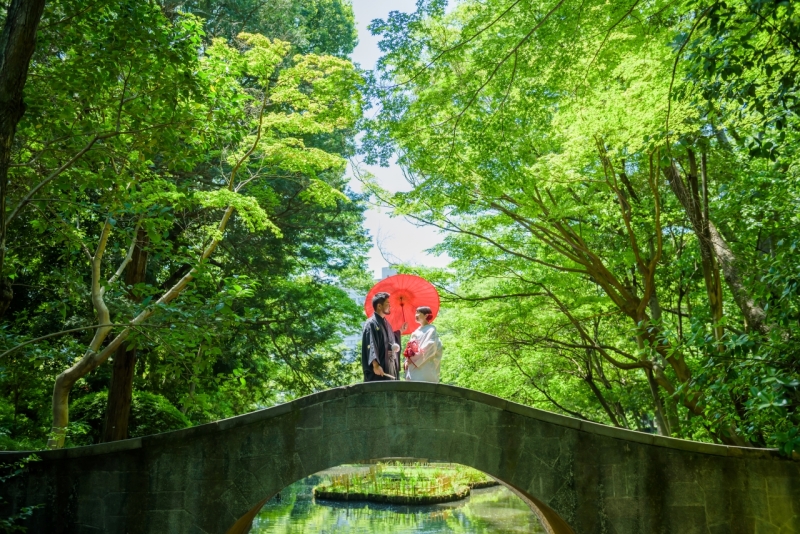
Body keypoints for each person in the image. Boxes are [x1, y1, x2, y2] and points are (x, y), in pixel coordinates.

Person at [361, 292, 406, 382]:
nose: (390, 306)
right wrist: (376, 365)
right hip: (379, 369)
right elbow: (371, 344)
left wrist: (400, 331)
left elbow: (390, 339)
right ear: (379, 306)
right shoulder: (371, 323)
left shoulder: (387, 324)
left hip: (390, 366)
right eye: (387, 304)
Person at [403, 306, 443, 383]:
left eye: (419, 313)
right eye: (416, 313)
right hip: (413, 364)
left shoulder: (431, 329)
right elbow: (409, 348)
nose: (416, 315)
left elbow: (429, 347)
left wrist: (413, 359)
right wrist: (407, 360)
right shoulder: (415, 331)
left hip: (424, 365)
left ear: (426, 315)